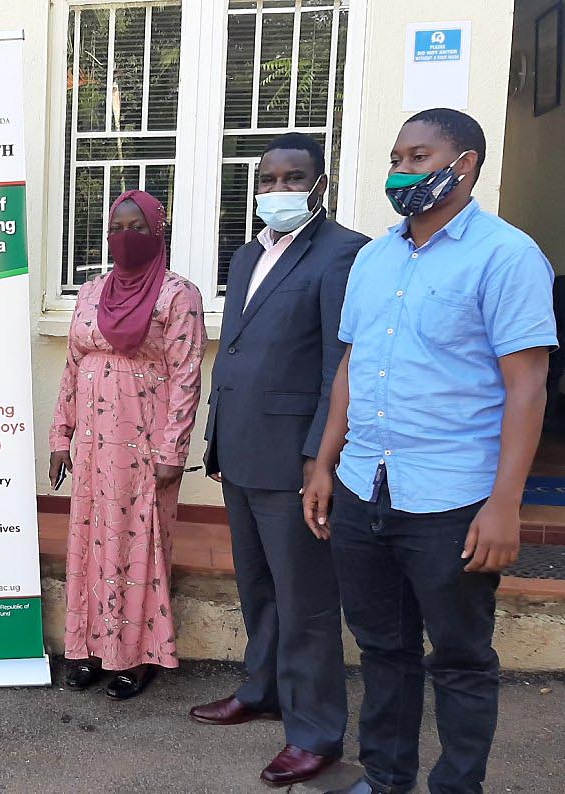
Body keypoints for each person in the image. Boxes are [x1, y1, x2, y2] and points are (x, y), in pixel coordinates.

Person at [304, 109, 556, 794]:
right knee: (383, 650)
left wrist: (507, 506)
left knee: (461, 659)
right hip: (364, 487)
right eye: (396, 158)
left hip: (452, 498)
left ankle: (456, 787)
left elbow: (527, 386)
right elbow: (351, 366)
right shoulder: (375, 257)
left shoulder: (507, 257)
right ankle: (387, 777)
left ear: (465, 164)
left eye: (419, 157)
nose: (401, 172)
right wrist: (325, 464)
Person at [193, 133, 368, 786]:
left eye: (294, 178)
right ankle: (262, 689)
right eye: (268, 179)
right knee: (258, 589)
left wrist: (318, 458)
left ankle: (317, 732)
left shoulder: (344, 254)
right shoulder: (245, 257)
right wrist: (216, 442)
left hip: (295, 460)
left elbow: (339, 365)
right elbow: (235, 353)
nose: (278, 190)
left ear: (320, 185)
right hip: (241, 451)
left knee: (307, 603)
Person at [48, 189, 206, 700]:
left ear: (158, 232)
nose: (126, 236)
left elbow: (186, 376)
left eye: (138, 227)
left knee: (136, 545)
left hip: (143, 444)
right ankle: (92, 648)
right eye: (118, 226)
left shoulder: (178, 295)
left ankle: (136, 656)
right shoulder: (92, 292)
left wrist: (171, 451)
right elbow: (73, 367)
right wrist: (60, 435)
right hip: (93, 446)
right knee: (93, 544)